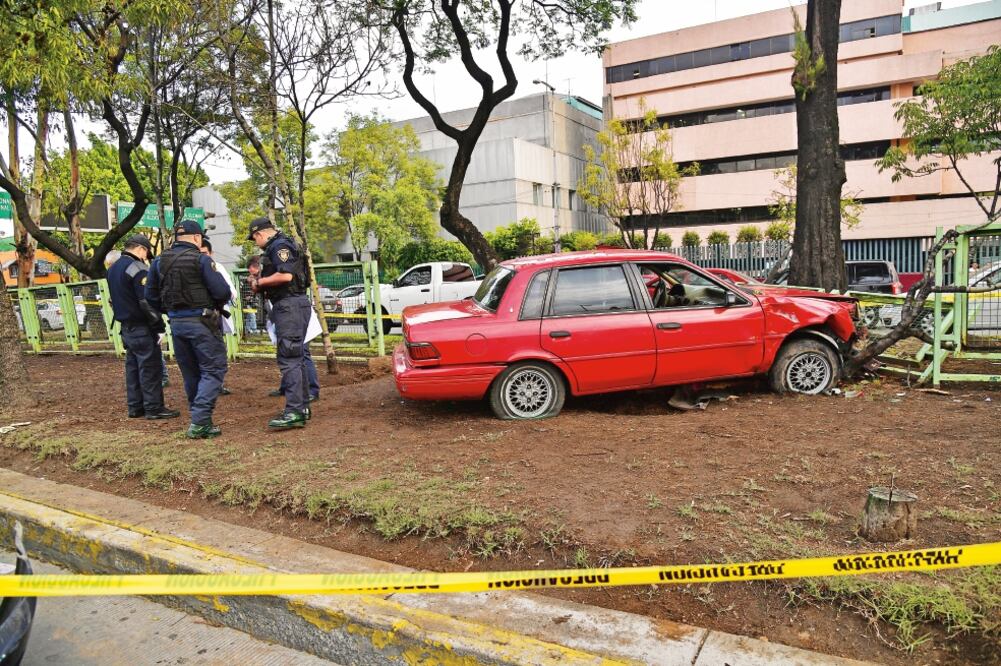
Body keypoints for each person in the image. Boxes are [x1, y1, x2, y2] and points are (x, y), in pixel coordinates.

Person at [146, 220, 232, 439]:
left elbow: (150, 297)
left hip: (176, 324)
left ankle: (199, 417)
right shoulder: (201, 259)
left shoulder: (158, 262)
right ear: (197, 238)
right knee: (213, 370)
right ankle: (201, 421)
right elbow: (222, 291)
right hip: (202, 323)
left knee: (191, 372)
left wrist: (170, 311)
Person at [247, 216, 311, 429]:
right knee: (297, 357)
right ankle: (301, 407)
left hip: (289, 305)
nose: (256, 243)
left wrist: (259, 281)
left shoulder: (280, 246)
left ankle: (294, 411)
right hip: (293, 305)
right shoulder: (283, 244)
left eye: (254, 239)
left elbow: (285, 277)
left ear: (259, 234)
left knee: (290, 358)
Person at [106, 235, 180, 420]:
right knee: (150, 368)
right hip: (142, 327)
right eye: (146, 253)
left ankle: (135, 407)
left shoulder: (113, 268)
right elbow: (145, 301)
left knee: (132, 369)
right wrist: (159, 326)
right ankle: (154, 408)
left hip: (126, 327)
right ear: (141, 249)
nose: (146, 257)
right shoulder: (138, 269)